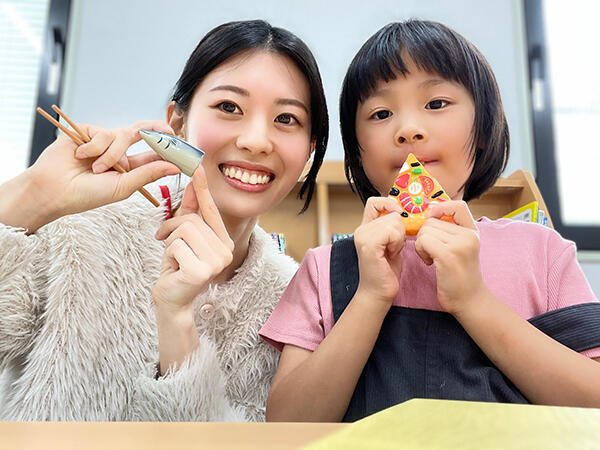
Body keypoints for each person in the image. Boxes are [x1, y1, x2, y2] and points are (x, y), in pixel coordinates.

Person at [260, 20, 600, 423]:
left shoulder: (542, 252)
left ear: (484, 130)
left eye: (436, 104)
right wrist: (370, 297)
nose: (408, 130)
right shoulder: (323, 268)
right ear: (359, 152)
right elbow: (286, 425)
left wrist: (474, 301)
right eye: (381, 113)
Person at [0, 19, 328, 421]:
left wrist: (177, 324)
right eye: (229, 107)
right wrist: (31, 196)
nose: (256, 140)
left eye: (287, 119)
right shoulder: (80, 228)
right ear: (177, 123)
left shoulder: (293, 300)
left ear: (309, 152)